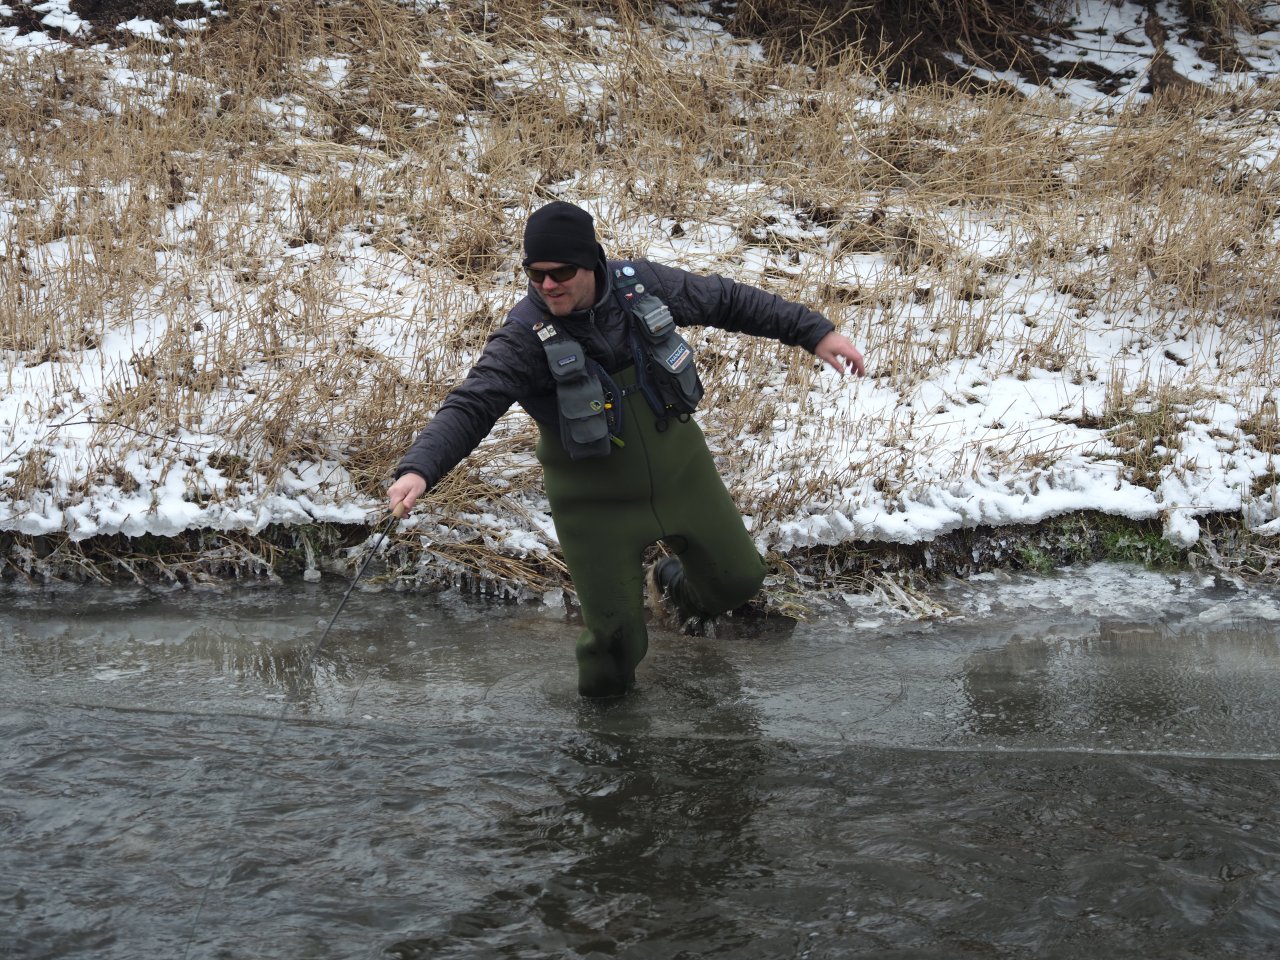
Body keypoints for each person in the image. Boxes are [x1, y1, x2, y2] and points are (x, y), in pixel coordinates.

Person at [388, 200, 865, 697]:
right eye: (535, 274)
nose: (548, 285)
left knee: (739, 580)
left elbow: (728, 300)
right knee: (614, 644)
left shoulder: (643, 286)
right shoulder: (524, 336)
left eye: (562, 272)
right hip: (593, 503)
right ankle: (608, 745)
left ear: (592, 262)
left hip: (683, 474)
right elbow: (471, 404)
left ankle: (674, 585)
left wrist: (816, 333)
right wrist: (420, 469)